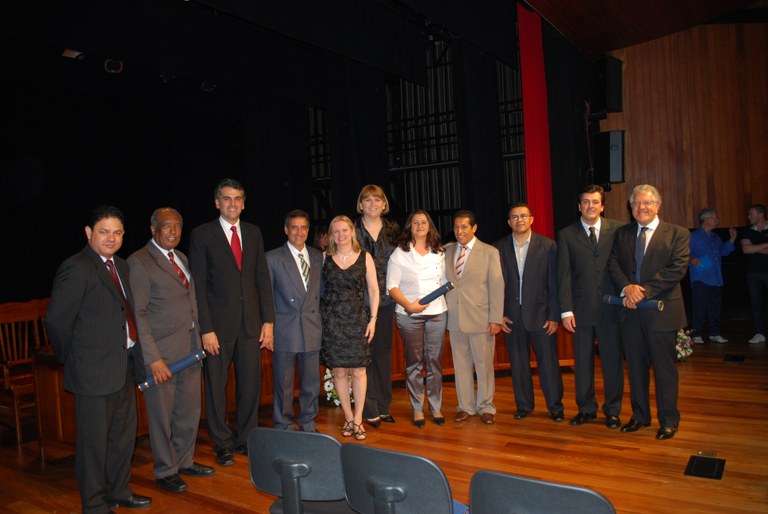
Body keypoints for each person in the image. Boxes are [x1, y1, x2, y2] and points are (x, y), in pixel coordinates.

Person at [45, 205, 152, 513]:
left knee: (122, 439)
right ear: (89, 233)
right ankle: (93, 504)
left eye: (117, 233)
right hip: (92, 373)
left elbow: (124, 315)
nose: (111, 238)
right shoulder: (76, 267)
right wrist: (73, 358)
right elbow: (57, 321)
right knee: (93, 446)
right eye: (104, 232)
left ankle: (119, 490)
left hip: (123, 369)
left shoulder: (121, 265)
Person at [127, 208, 215, 494]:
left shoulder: (182, 258)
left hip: (190, 350)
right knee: (162, 416)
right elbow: (138, 314)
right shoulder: (139, 262)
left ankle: (184, 460)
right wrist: (152, 358)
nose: (173, 231)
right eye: (167, 226)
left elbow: (190, 302)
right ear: (153, 229)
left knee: (188, 412)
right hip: (162, 355)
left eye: (178, 226)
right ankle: (165, 470)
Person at [188, 178, 275, 466]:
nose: (233, 203)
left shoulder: (253, 232)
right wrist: (206, 328)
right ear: (217, 202)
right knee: (216, 386)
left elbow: (261, 278)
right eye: (227, 198)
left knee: (250, 385)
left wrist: (268, 321)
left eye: (238, 198)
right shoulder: (202, 235)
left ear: (244, 202)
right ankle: (222, 442)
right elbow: (198, 286)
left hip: (250, 324)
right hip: (218, 327)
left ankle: (246, 438)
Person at [608, 184, 689, 440]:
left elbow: (676, 269)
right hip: (631, 313)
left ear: (657, 205)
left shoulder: (677, 233)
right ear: (631, 208)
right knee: (635, 368)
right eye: (636, 204)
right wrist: (626, 288)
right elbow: (613, 264)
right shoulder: (622, 233)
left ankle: (668, 420)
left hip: (661, 312)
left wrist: (642, 291)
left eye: (646, 203)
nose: (641, 208)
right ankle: (640, 416)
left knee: (665, 370)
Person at [557, 185, 624, 429]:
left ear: (602, 206)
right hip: (580, 311)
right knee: (582, 363)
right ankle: (586, 408)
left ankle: (613, 410)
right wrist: (566, 310)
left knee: (612, 362)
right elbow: (562, 275)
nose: (590, 206)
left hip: (611, 309)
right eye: (586, 201)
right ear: (579, 206)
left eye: (595, 202)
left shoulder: (617, 230)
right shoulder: (566, 234)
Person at [495, 203, 564, 422]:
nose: (519, 220)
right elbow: (496, 286)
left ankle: (555, 406)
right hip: (512, 317)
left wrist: (554, 315)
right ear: (509, 222)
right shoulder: (498, 248)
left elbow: (555, 283)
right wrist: (500, 314)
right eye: (514, 217)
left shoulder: (548, 246)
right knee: (518, 364)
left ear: (532, 219)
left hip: (542, 316)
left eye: (523, 216)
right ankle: (524, 405)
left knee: (549, 364)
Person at [387, 210, 448, 428]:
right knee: (414, 363)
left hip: (437, 314)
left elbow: (447, 281)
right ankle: (416, 408)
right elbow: (391, 286)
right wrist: (408, 305)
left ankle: (436, 406)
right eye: (415, 222)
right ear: (409, 227)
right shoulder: (399, 254)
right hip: (409, 316)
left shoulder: (440, 252)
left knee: (434, 362)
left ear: (430, 226)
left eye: (424, 222)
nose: (420, 225)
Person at [320, 215, 379, 441]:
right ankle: (347, 417)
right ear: (331, 235)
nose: (341, 235)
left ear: (352, 231)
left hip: (357, 320)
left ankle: (358, 419)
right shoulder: (324, 258)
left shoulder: (365, 257)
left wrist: (373, 320)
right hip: (332, 322)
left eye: (345, 230)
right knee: (339, 372)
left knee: (359, 371)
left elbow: (374, 291)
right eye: (336, 231)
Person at [445, 210, 504, 425]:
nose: (459, 231)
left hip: (481, 318)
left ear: (474, 228)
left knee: (483, 365)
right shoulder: (447, 250)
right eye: (456, 227)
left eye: (464, 227)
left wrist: (496, 318)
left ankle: (486, 406)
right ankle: (465, 406)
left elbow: (497, 286)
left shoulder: (489, 252)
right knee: (460, 366)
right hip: (455, 318)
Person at [266, 210, 323, 432]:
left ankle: (309, 422)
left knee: (311, 383)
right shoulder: (272, 258)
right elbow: (267, 298)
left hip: (311, 327)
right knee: (284, 384)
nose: (299, 232)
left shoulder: (317, 256)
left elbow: (321, 293)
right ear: (286, 230)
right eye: (294, 228)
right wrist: (269, 328)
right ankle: (284, 424)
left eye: (304, 228)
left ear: (308, 230)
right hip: (285, 330)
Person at [354, 184, 400, 427]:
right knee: (365, 355)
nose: (372, 204)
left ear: (384, 204)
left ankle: (384, 406)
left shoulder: (393, 230)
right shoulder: (351, 230)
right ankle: (369, 406)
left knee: (383, 354)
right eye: (367, 200)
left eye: (377, 200)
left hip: (386, 301)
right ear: (360, 205)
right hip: (359, 303)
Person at [688, 208, 737, 344]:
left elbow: (723, 252)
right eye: (715, 218)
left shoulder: (715, 237)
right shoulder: (694, 236)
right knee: (699, 307)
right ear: (707, 219)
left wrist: (732, 240)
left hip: (716, 278)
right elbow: (683, 253)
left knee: (715, 308)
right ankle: (696, 334)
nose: (717, 221)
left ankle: (714, 333)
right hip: (701, 278)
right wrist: (692, 259)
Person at [741, 204, 768, 344]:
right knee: (756, 304)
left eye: (751, 214)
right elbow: (746, 250)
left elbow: (751, 248)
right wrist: (765, 245)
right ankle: (760, 332)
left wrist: (754, 247)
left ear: (760, 215)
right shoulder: (747, 231)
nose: (748, 216)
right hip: (753, 273)